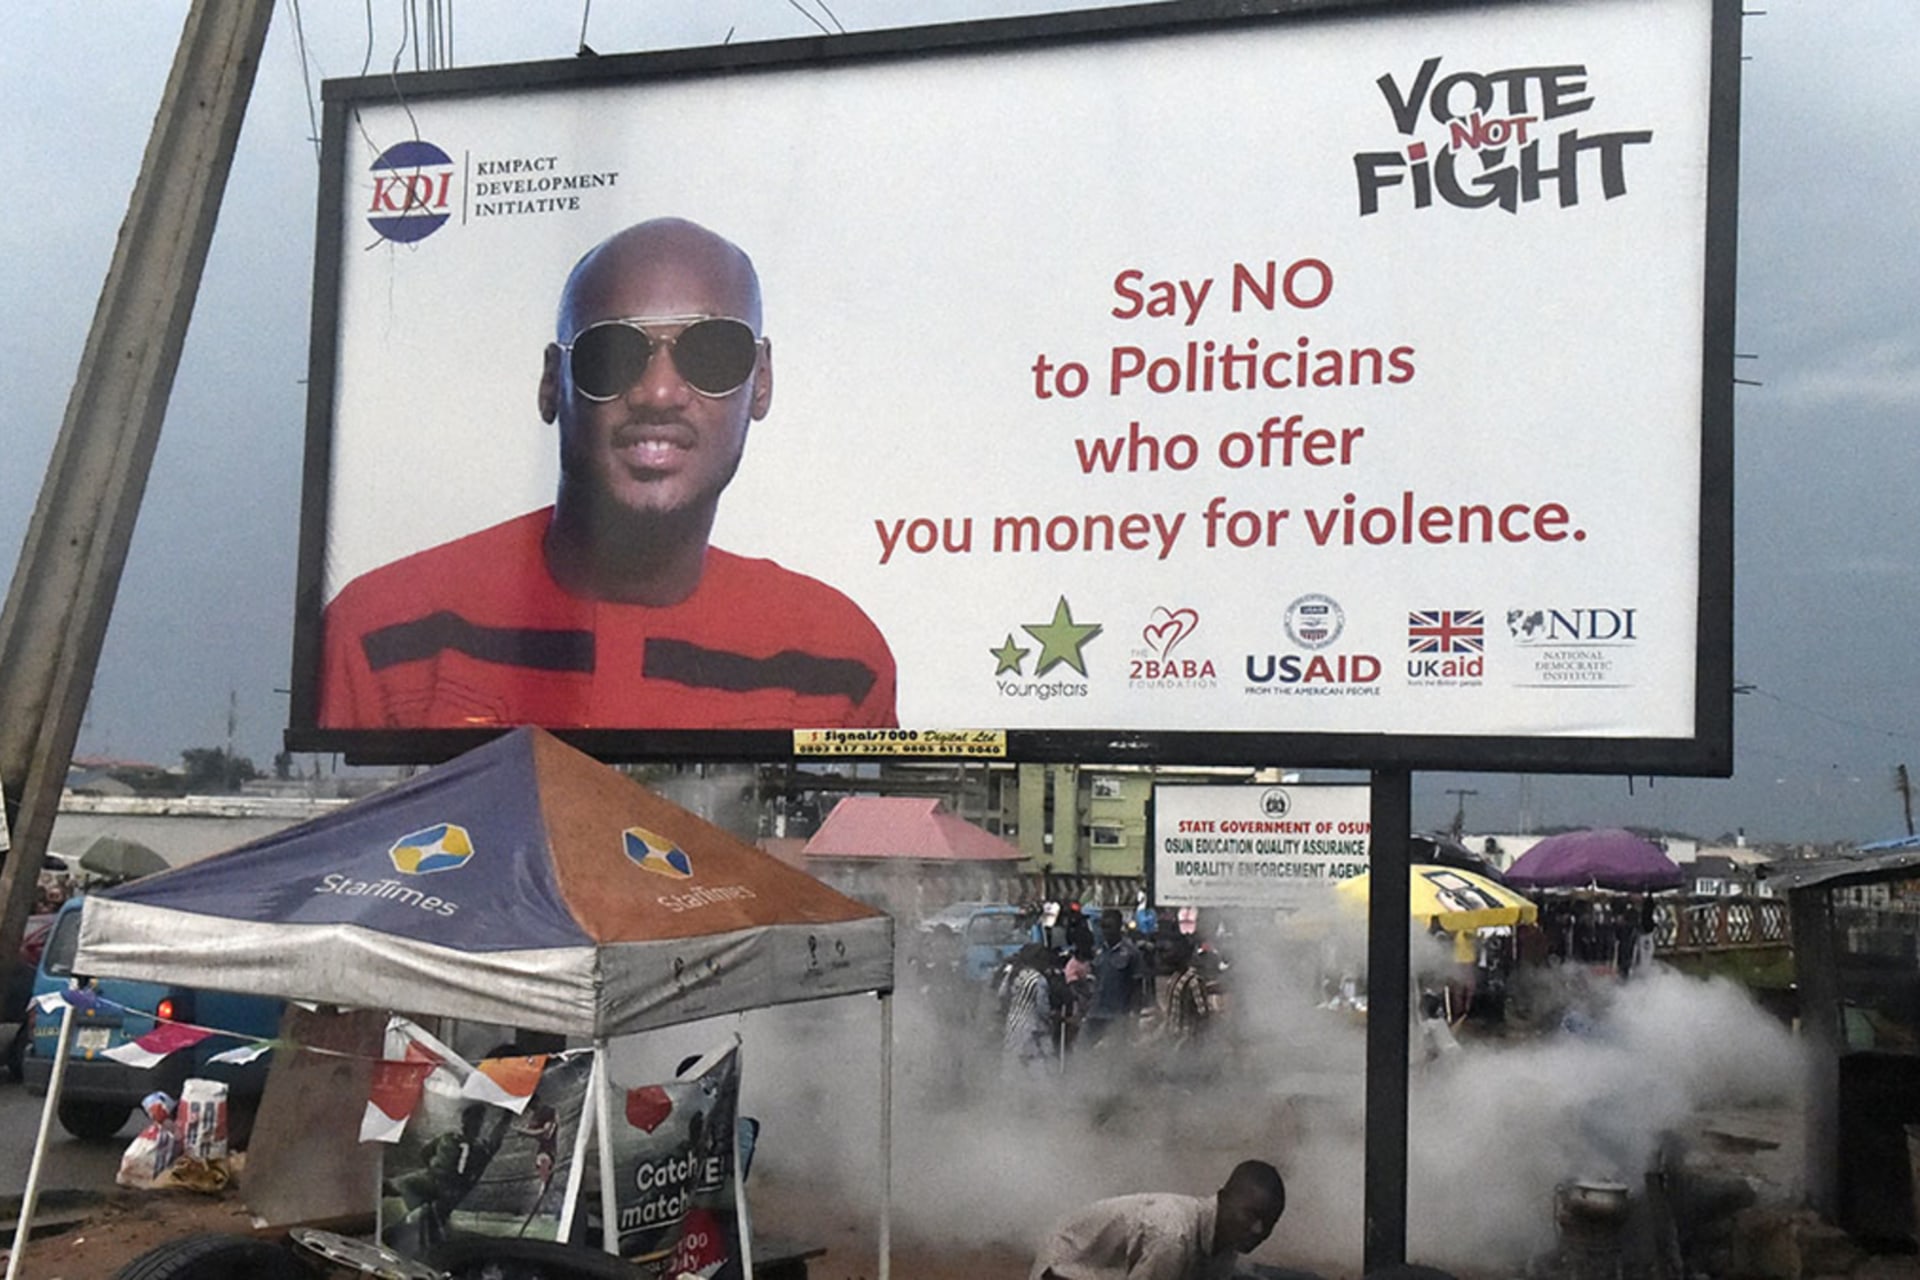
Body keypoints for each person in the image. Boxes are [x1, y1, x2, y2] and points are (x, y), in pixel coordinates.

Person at [319, 217, 897, 731]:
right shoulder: (382, 634)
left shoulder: (837, 663)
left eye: (713, 353)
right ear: (553, 382)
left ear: (761, 382)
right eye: (612, 353)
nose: (659, 393)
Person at [1030, 1160, 1286, 1280]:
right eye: (1251, 1214)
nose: (1259, 1229)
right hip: (1064, 1268)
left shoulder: (1226, 1244)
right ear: (1223, 1198)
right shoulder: (1173, 1237)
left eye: (1270, 1222)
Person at [1084, 908, 1143, 1047]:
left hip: (1118, 1015)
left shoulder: (1131, 953)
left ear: (1119, 927)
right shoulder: (1097, 951)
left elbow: (1137, 986)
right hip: (1095, 1013)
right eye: (1103, 927)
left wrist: (1134, 1014)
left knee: (1115, 1052)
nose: (1106, 931)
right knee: (1085, 1050)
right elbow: (1092, 980)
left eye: (1110, 927)